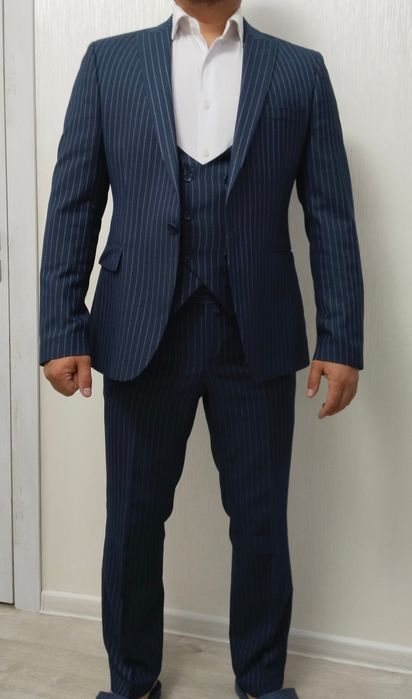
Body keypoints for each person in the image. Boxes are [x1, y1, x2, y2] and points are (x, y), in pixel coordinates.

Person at [39, 1, 364, 698]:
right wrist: (62, 326)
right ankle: (131, 680)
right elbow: (74, 201)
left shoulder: (299, 73)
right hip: (139, 331)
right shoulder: (109, 65)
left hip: (256, 334)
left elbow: (331, 213)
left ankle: (262, 682)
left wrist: (341, 338)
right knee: (132, 520)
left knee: (260, 521)